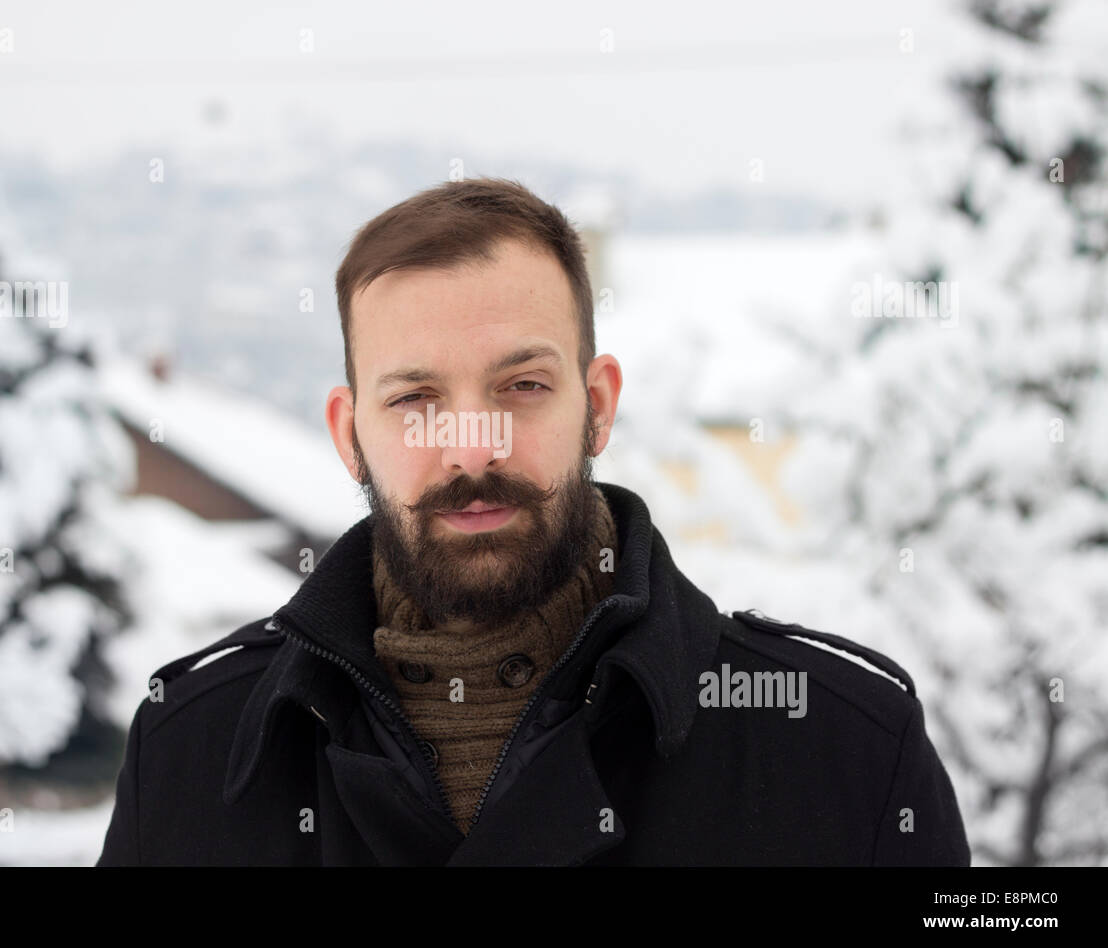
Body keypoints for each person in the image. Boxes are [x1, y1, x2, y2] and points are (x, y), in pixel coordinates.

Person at [96, 177, 970, 865]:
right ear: (348, 434)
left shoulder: (840, 747)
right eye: (415, 400)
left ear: (596, 407)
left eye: (522, 387)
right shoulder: (194, 753)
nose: (472, 449)